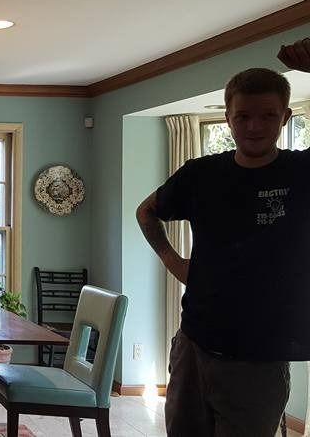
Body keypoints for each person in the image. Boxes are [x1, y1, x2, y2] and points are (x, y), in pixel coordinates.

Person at [136, 36, 310, 436]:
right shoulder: (201, 175)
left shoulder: (300, 175)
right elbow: (146, 211)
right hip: (194, 346)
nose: (254, 127)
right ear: (229, 117)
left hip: (260, 359)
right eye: (243, 116)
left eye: (267, 116)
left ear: (284, 118)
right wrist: (172, 261)